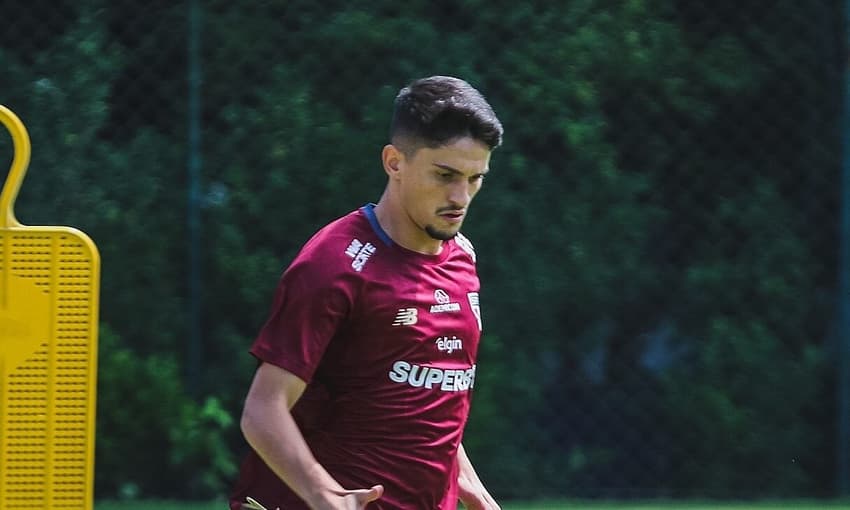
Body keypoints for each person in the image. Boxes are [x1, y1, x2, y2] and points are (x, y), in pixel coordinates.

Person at [229, 75, 504, 510]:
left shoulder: (461, 257)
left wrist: (473, 489)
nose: (460, 196)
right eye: (445, 175)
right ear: (395, 162)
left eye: (475, 178)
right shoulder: (334, 264)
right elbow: (263, 411)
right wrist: (324, 495)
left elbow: (429, 394)